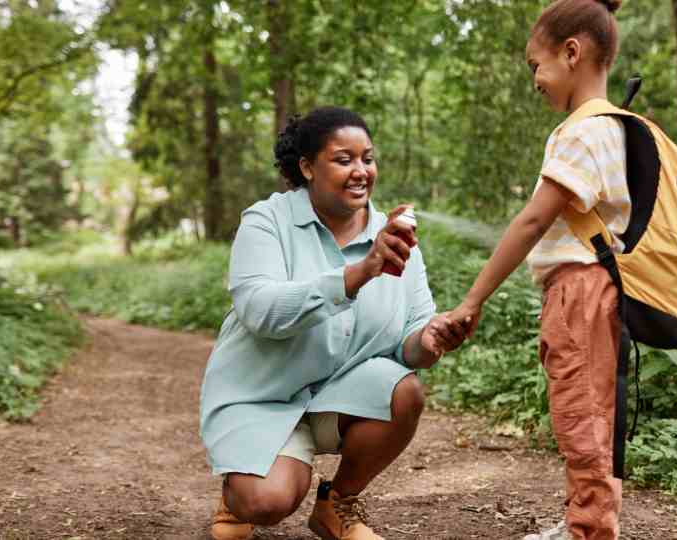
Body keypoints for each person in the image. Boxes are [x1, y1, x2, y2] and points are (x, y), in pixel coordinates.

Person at [200, 106, 466, 540]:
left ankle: (336, 505)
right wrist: (359, 273)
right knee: (266, 503)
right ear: (307, 167)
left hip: (339, 397)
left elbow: (409, 344)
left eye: (368, 158)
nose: (361, 171)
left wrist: (432, 336)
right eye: (344, 160)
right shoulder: (266, 222)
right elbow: (260, 310)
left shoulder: (394, 237)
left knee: (406, 390)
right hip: (263, 396)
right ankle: (238, 494)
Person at [448, 1, 628, 539]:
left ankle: (590, 531)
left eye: (535, 65)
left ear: (571, 52)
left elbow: (530, 223)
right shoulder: (615, 125)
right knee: (589, 414)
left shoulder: (581, 132)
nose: (533, 81)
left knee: (582, 417)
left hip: (579, 293)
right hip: (597, 290)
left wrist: (471, 300)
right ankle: (587, 521)